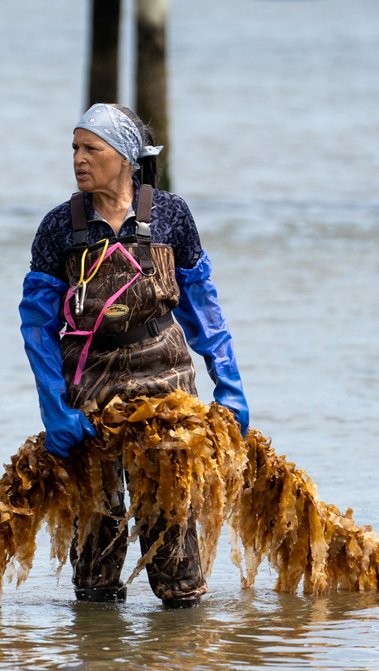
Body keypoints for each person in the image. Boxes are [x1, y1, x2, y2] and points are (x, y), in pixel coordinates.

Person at [19, 103, 248, 608]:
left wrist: (228, 384)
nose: (78, 159)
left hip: (166, 386)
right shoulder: (61, 227)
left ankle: (180, 660)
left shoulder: (170, 215)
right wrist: (55, 405)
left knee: (171, 531)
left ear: (124, 157)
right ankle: (99, 663)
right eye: (74, 149)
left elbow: (202, 307)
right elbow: (37, 324)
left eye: (90, 149)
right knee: (94, 542)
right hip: (89, 388)